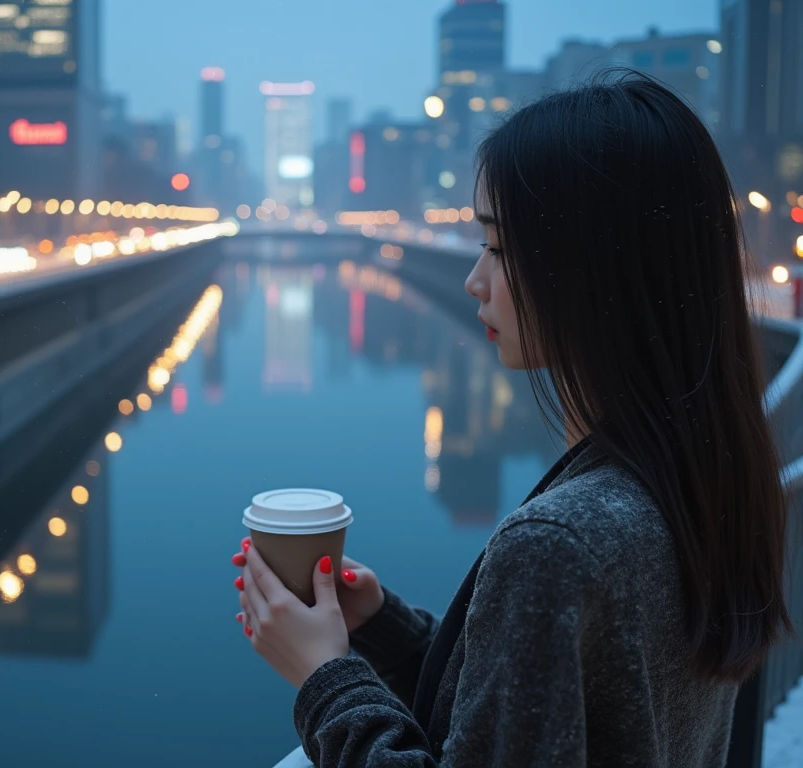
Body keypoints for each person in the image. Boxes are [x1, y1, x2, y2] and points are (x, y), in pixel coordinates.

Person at [231, 72, 794, 767]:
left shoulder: (558, 543)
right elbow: (539, 721)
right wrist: (385, 631)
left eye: (497, 249)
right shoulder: (709, 482)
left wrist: (324, 675)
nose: (474, 280)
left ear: (591, 267)